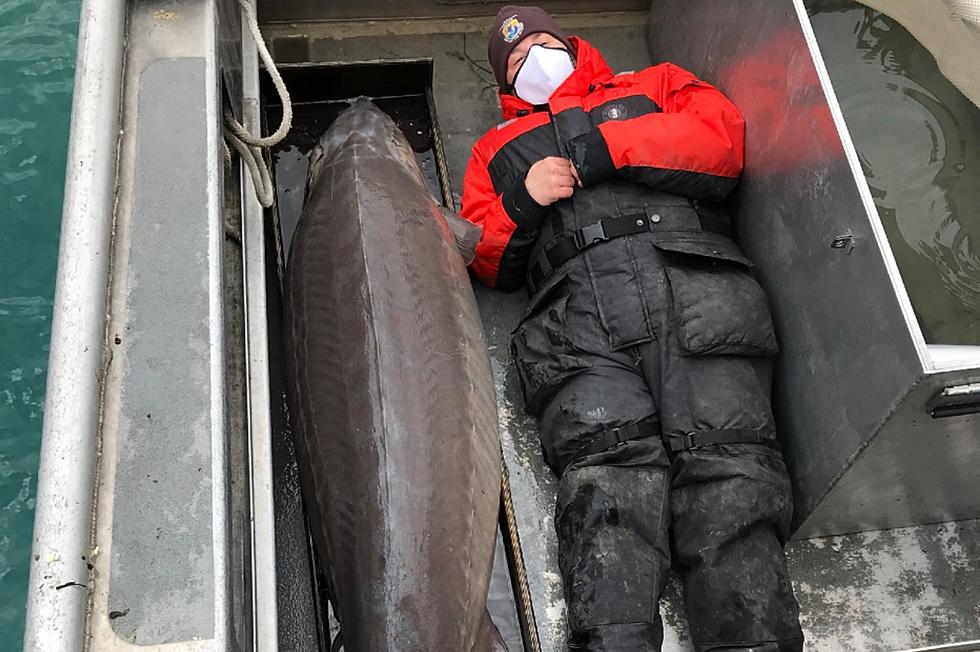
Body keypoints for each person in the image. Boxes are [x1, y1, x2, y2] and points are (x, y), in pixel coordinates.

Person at [460, 6, 806, 652]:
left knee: (730, 469)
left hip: (693, 288)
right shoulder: (494, 149)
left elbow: (723, 143)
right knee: (605, 485)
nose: (530, 53)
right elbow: (484, 254)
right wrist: (524, 200)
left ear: (568, 43)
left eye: (539, 40)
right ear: (505, 83)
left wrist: (614, 146)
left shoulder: (658, 84)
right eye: (513, 57)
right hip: (577, 324)